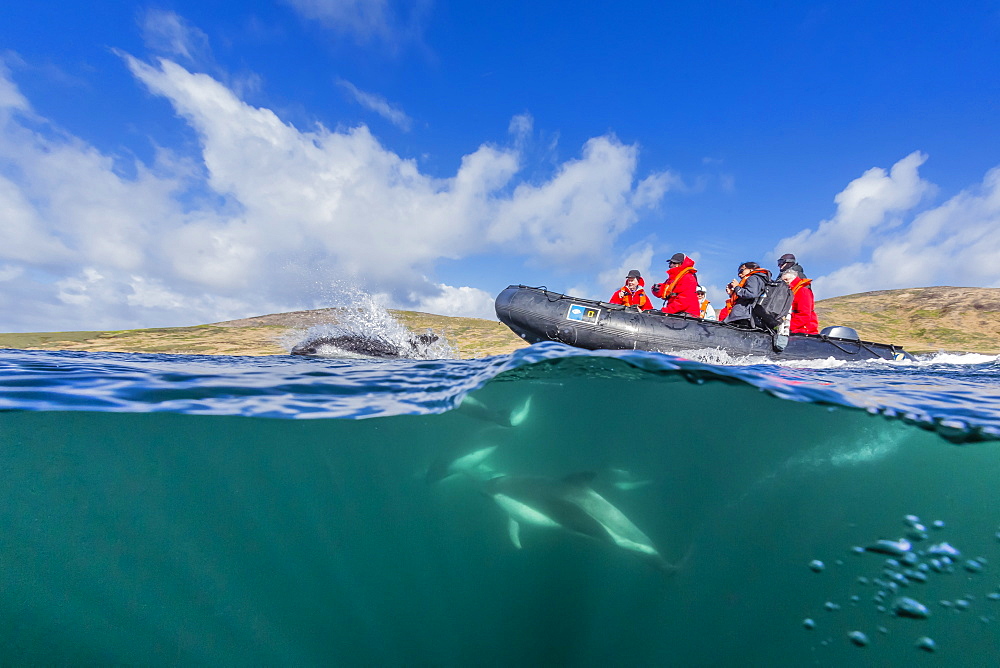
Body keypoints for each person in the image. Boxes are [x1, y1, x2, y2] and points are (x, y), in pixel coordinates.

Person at [722, 261, 771, 328]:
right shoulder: (762, 279)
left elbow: (751, 294)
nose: (739, 274)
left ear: (751, 269)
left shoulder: (753, 278)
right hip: (750, 316)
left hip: (743, 315)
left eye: (741, 270)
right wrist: (732, 293)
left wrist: (737, 287)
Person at [651, 253, 700, 317]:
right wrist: (657, 290)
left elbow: (684, 301)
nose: (671, 265)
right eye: (670, 263)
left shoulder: (688, 278)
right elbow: (665, 291)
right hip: (675, 313)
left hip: (688, 315)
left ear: (681, 264)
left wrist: (666, 311)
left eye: (674, 263)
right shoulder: (672, 279)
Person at [780, 268, 819, 334]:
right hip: (794, 330)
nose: (785, 282)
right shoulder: (790, 293)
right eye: (783, 281)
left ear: (794, 278)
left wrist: (788, 327)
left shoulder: (803, 291)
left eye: (787, 280)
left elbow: (804, 315)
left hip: (804, 331)